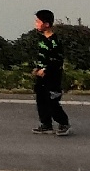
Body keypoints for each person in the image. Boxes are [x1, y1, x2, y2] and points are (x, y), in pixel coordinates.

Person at [29, 9, 70, 137]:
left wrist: (45, 70)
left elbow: (56, 60)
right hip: (41, 77)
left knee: (52, 101)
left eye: (38, 21)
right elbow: (43, 57)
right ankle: (46, 124)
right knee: (41, 100)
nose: (36, 24)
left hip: (52, 77)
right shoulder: (42, 40)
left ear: (46, 24)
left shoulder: (54, 41)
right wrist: (37, 68)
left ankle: (63, 123)